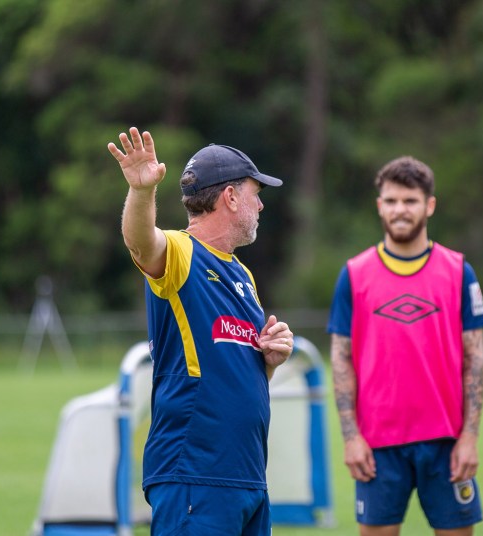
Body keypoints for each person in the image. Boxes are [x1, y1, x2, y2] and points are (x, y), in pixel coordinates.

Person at [107, 127, 294, 535]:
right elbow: (141, 243)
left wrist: (271, 360)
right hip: (195, 473)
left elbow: (231, 371)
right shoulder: (181, 251)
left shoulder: (242, 274)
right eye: (255, 193)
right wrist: (141, 191)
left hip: (246, 475)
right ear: (230, 197)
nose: (261, 205)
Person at [327, 156, 483, 536]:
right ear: (379, 205)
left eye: (410, 201)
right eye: (391, 200)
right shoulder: (354, 274)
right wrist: (351, 437)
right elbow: (340, 359)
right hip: (378, 446)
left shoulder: (459, 272)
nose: (400, 209)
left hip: (446, 443)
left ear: (429, 205)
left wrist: (469, 437)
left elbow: (476, 359)